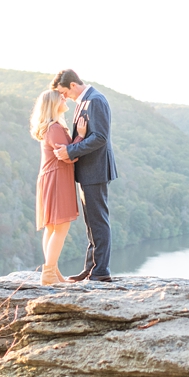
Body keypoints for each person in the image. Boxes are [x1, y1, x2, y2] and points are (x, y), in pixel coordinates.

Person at [50, 68, 118, 282]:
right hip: (88, 171)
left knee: (98, 221)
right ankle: (90, 268)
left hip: (96, 170)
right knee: (91, 223)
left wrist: (71, 151)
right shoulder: (84, 101)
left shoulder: (95, 100)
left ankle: (101, 271)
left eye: (64, 92)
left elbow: (100, 137)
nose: (65, 97)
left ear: (72, 84)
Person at [29, 89, 82, 285]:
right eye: (61, 98)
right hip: (57, 178)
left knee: (52, 228)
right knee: (61, 226)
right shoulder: (55, 128)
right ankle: (49, 272)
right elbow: (69, 156)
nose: (65, 98)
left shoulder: (49, 128)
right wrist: (81, 136)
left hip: (50, 177)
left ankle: (53, 272)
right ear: (53, 104)